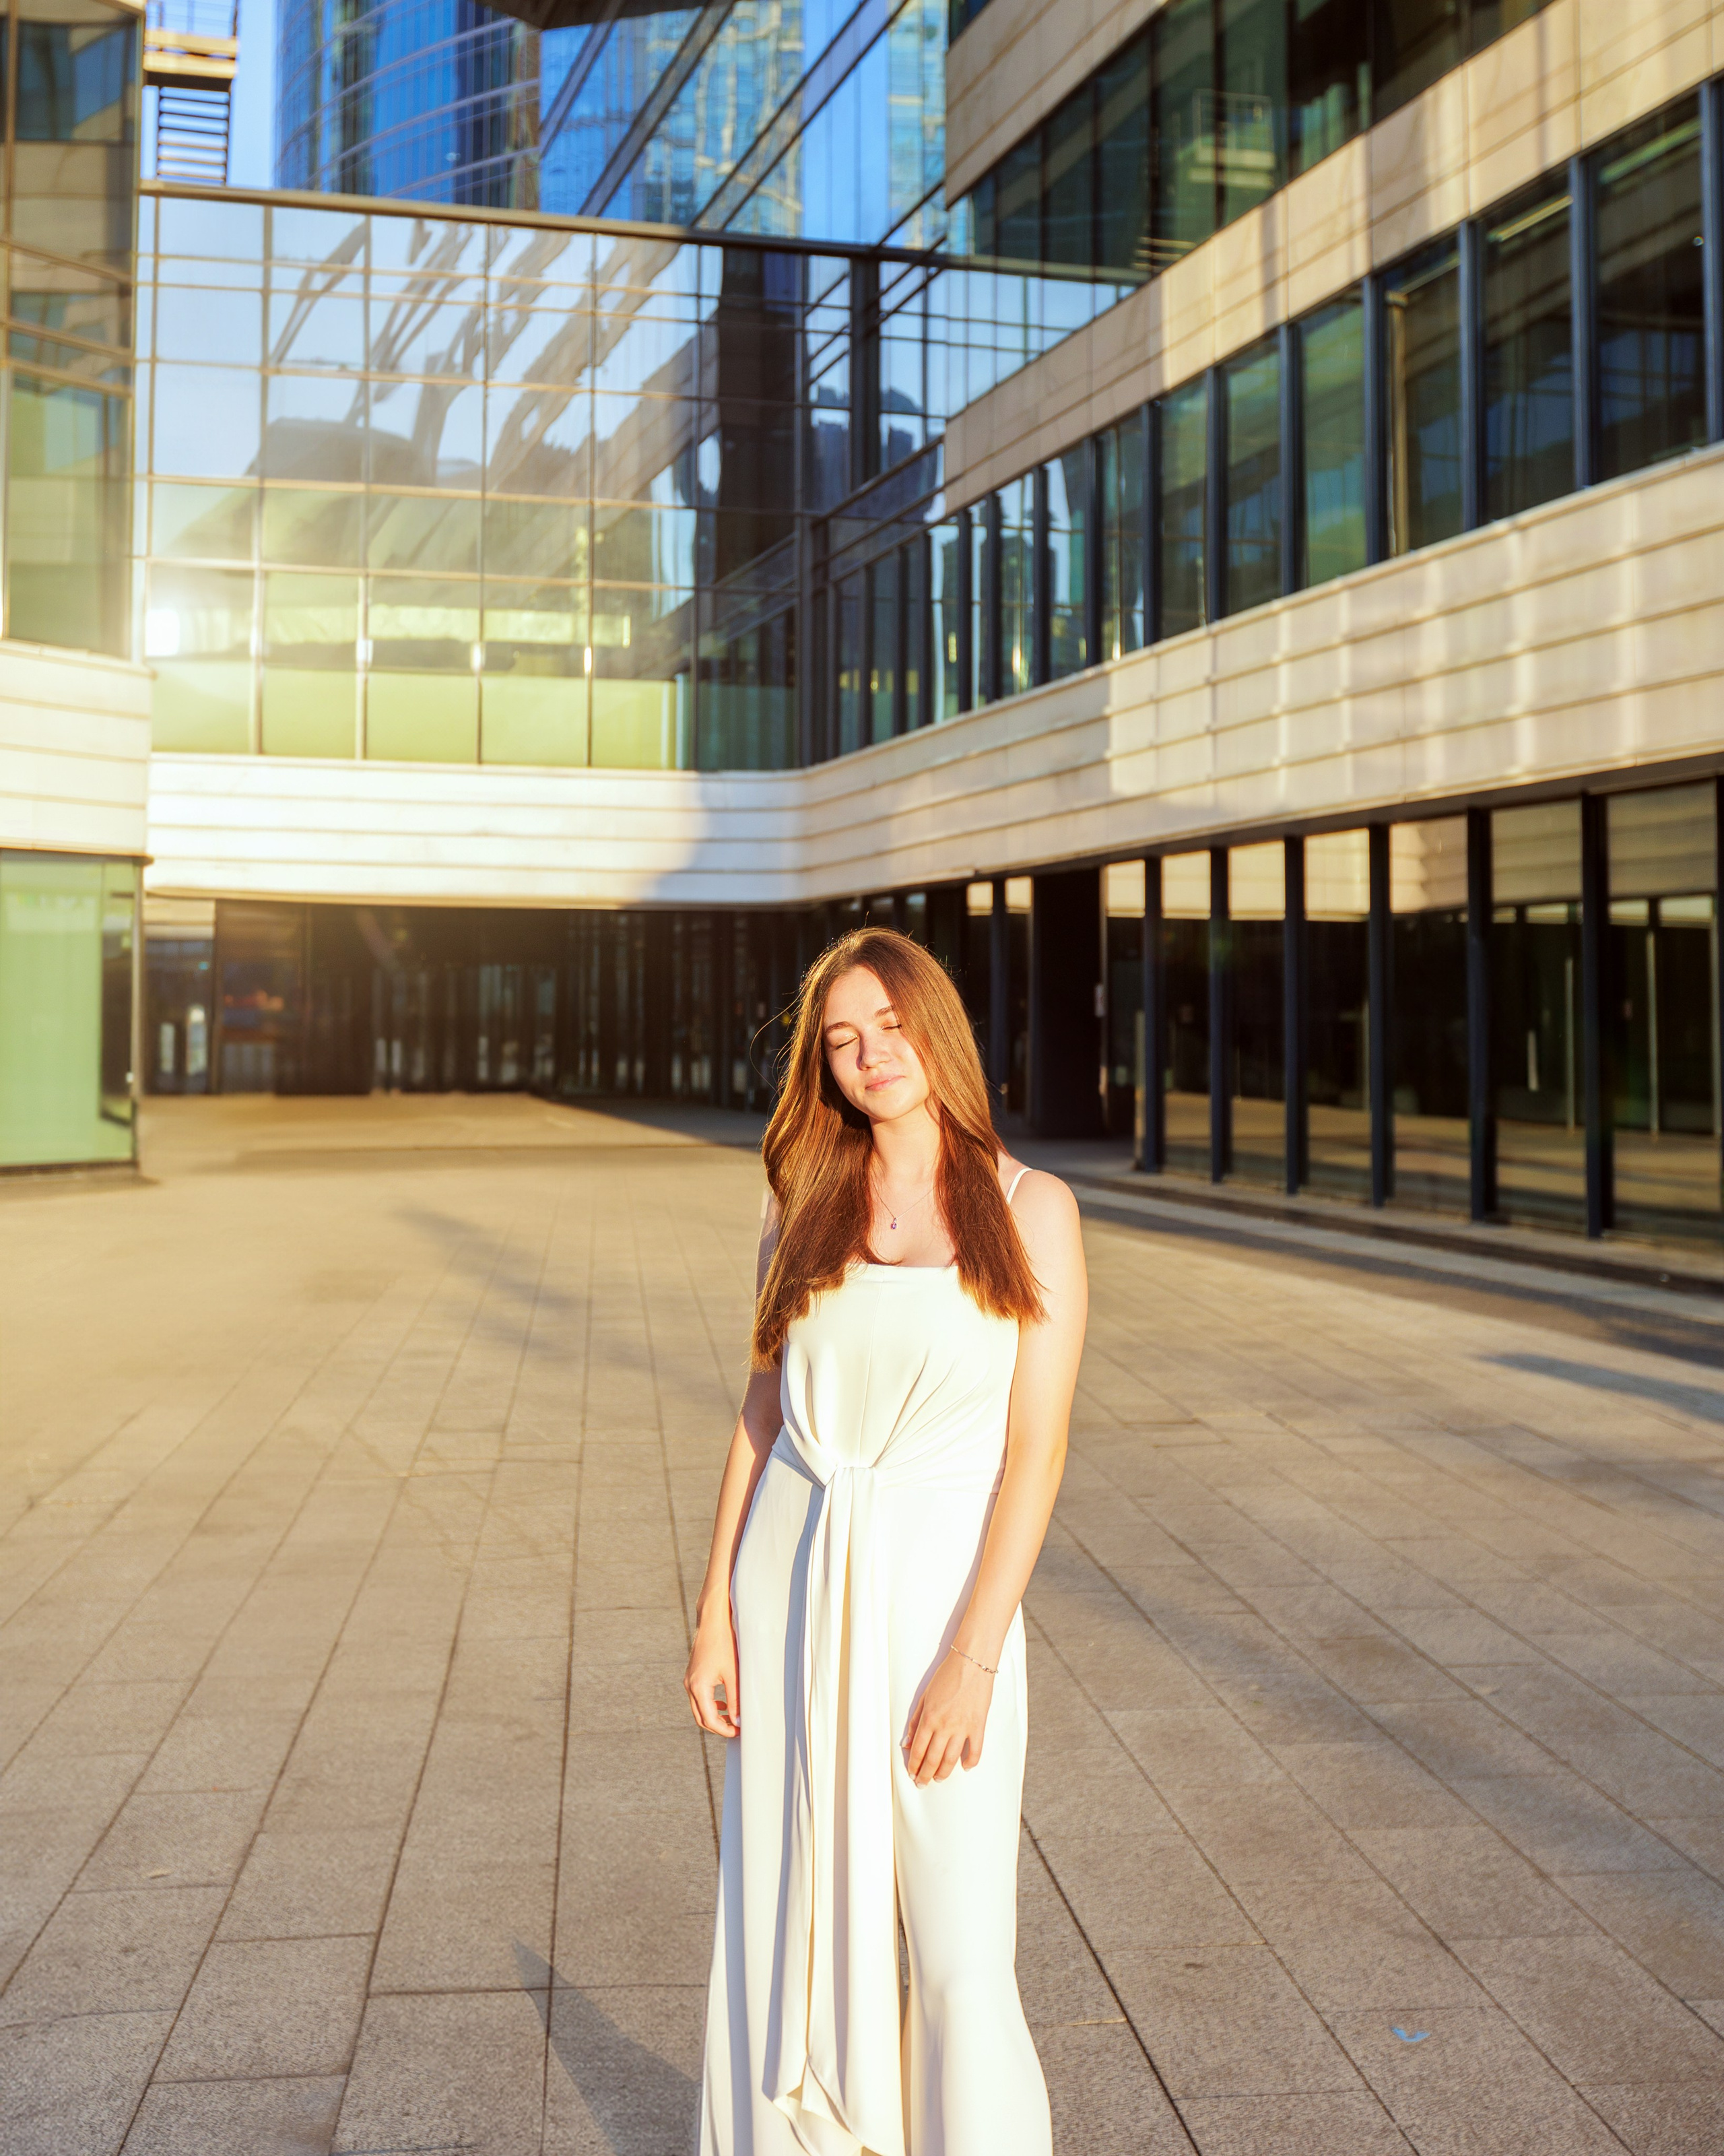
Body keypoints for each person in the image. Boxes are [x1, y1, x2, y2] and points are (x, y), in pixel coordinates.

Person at [685, 925, 1088, 2156]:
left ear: (937, 1029)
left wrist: (975, 1653)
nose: (870, 1056)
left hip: (940, 1605)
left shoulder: (1034, 1208)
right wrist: (713, 1612)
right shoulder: (800, 1200)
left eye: (890, 1026)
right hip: (790, 1579)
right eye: (843, 1039)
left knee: (962, 1949)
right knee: (787, 1915)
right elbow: (762, 1410)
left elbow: (1037, 1455)